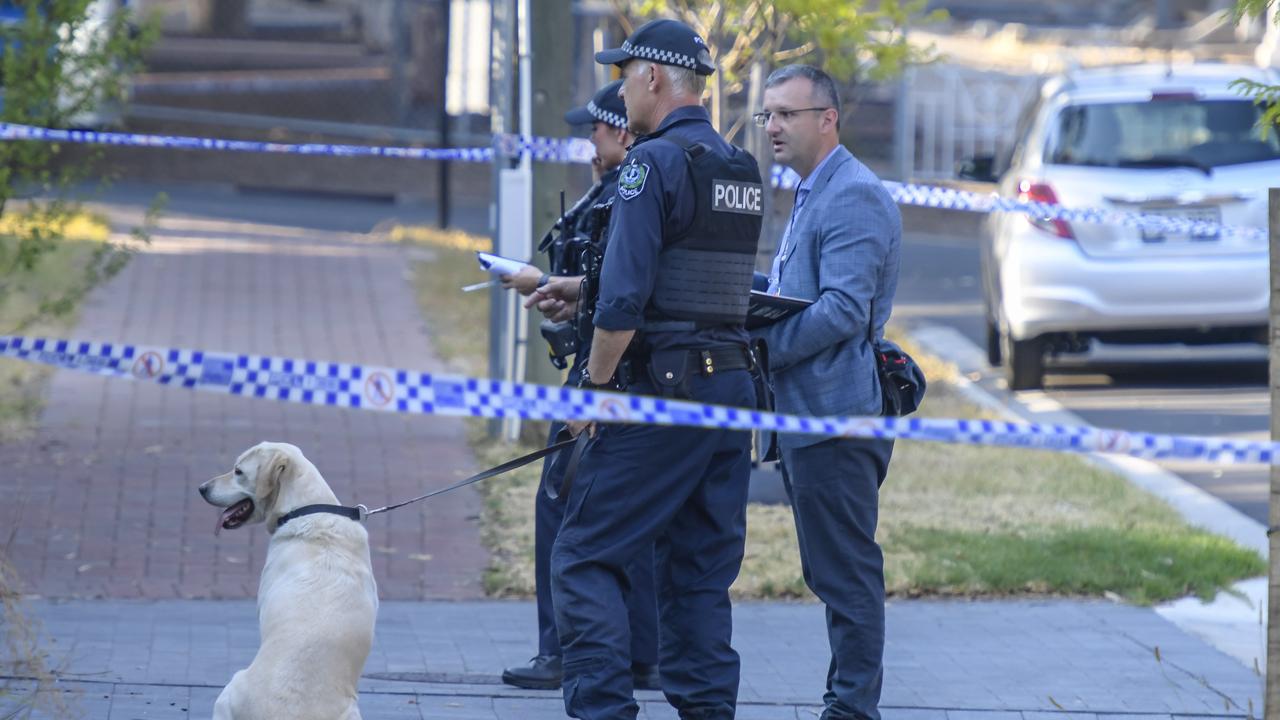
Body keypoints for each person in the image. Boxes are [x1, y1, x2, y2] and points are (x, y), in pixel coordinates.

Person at [539, 18, 762, 720]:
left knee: (584, 556)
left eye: (626, 73)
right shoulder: (736, 167)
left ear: (654, 78)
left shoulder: (648, 165)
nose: (620, 86)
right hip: (727, 391)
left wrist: (595, 390)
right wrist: (587, 289)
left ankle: (603, 710)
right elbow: (699, 284)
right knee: (697, 573)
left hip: (658, 393)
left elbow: (629, 302)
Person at [498, 80, 661, 692]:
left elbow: (623, 290)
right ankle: (644, 652)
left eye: (593, 130)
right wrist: (570, 298)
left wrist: (589, 380)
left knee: (561, 502)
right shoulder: (636, 187)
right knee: (635, 511)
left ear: (622, 131)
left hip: (603, 372)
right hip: (639, 375)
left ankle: (563, 650)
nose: (587, 143)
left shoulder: (630, 191)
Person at [752, 64, 902, 720]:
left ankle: (851, 708)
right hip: (809, 418)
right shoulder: (815, 189)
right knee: (831, 572)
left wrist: (761, 349)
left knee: (846, 575)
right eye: (768, 115)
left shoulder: (852, 195)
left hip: (837, 420)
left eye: (786, 113)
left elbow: (844, 309)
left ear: (827, 119)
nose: (773, 127)